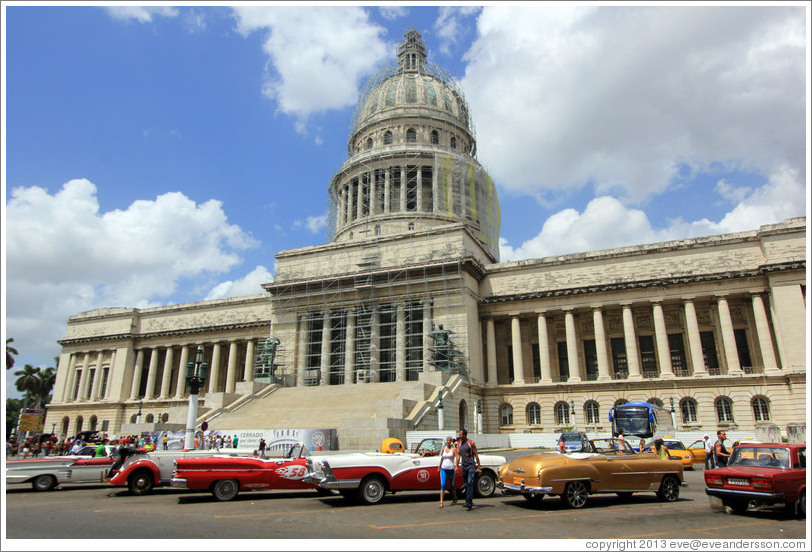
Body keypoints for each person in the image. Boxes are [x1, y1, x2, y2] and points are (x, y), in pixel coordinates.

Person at [455, 428, 481, 511]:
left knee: (470, 483)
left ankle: (469, 502)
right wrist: (456, 465)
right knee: (465, 484)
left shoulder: (471, 443)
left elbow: (476, 455)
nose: (459, 436)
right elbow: (458, 455)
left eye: (460, 435)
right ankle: (468, 499)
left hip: (471, 466)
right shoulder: (459, 444)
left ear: (464, 435)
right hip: (464, 467)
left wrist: (479, 467)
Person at [438, 436, 458, 508]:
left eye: (449, 440)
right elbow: (442, 458)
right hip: (444, 469)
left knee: (452, 485)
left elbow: (457, 457)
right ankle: (441, 502)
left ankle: (455, 498)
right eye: (447, 440)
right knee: (443, 484)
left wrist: (456, 466)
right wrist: (439, 467)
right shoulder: (443, 449)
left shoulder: (453, 449)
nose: (448, 442)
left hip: (451, 469)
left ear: (451, 442)